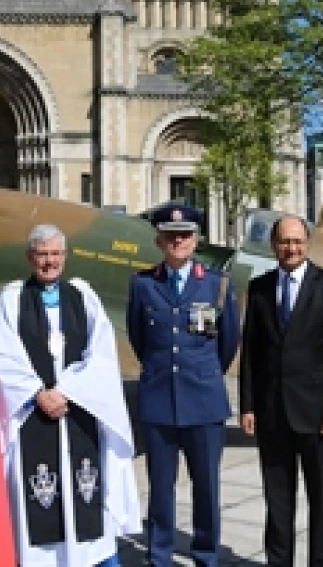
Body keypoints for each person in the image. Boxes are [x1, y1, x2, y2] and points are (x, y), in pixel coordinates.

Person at [0, 224, 141, 567]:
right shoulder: (12, 300)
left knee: (84, 496)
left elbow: (102, 356)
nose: (49, 261)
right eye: (42, 254)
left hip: (78, 415)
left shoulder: (83, 296)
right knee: (38, 503)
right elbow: (4, 358)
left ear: (65, 257)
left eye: (56, 254)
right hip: (32, 417)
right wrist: (38, 394)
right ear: (30, 257)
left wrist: (66, 391)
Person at [238, 215, 323, 567]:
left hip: (318, 415)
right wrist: (248, 406)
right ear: (274, 246)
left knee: (321, 501)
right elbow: (251, 355)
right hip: (273, 414)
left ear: (307, 244)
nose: (291, 248)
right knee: (278, 502)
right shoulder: (260, 288)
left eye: (297, 242)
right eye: (284, 242)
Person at [127, 203, 240, 567]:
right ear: (159, 239)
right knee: (160, 488)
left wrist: (202, 373)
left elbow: (228, 343)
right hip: (160, 400)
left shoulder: (217, 284)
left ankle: (206, 554)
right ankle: (159, 556)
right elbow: (138, 337)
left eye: (186, 235)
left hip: (204, 402)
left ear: (196, 239)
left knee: (206, 487)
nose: (178, 241)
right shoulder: (144, 284)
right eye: (171, 235)